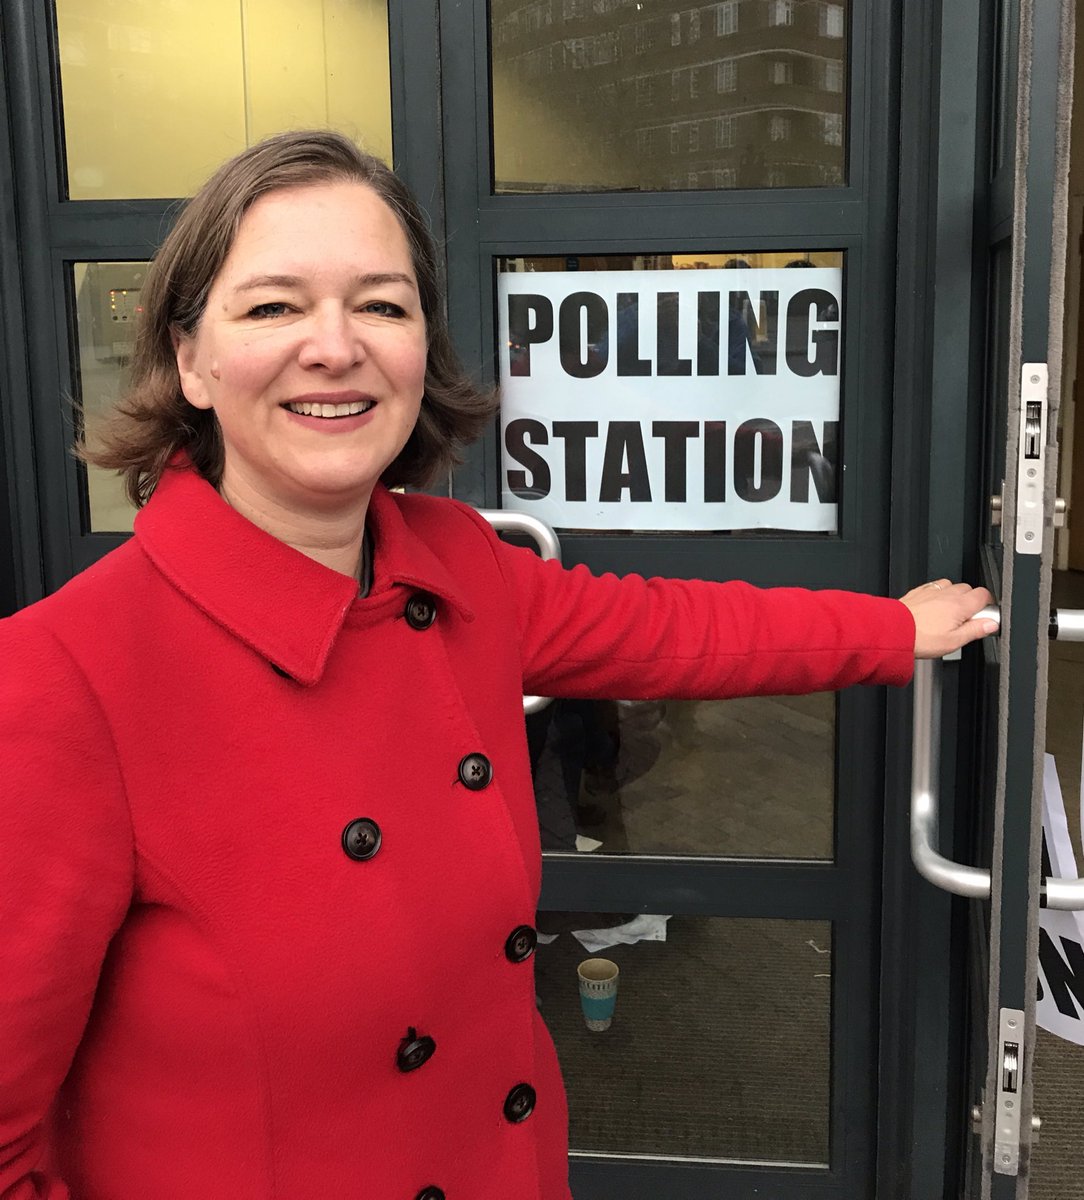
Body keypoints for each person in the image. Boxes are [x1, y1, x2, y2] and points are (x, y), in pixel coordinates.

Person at [0, 130, 995, 1200]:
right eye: (273, 306)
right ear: (188, 359)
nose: (335, 347)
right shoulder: (64, 676)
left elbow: (670, 630)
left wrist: (892, 632)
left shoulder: (458, 563)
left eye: (382, 304)